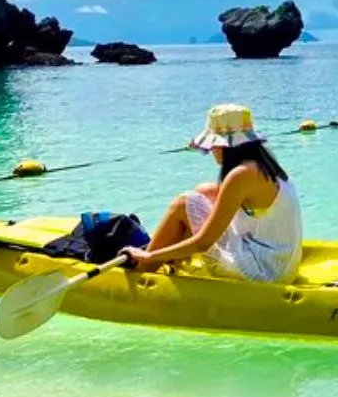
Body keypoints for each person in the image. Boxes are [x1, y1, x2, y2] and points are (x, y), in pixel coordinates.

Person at [121, 103, 304, 282]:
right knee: (204, 191)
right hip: (279, 263)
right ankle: (175, 261)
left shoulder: (241, 174)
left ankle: (142, 272)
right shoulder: (263, 161)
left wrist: (149, 256)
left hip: (264, 272)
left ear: (222, 145)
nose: (211, 151)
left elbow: (203, 243)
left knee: (183, 203)